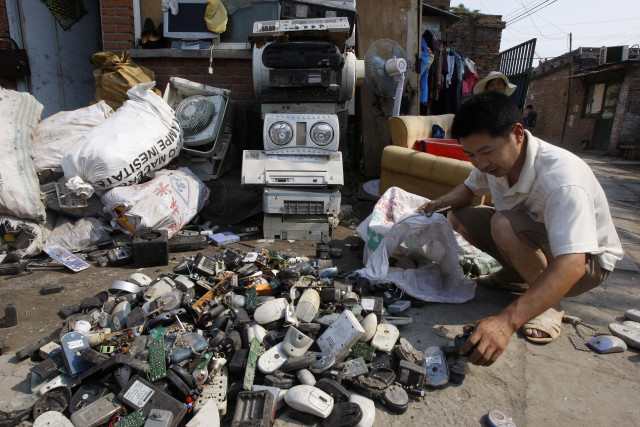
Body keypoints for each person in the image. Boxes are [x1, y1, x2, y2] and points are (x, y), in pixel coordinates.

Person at [417, 92, 623, 367]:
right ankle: (517, 277)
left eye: (486, 152)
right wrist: (435, 204)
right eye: (471, 155)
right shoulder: (492, 163)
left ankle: (550, 305)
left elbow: (573, 264)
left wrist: (506, 322)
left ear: (517, 133)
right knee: (458, 217)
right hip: (539, 238)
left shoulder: (562, 180)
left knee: (502, 223)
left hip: (587, 265)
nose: (480, 163)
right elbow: (469, 189)